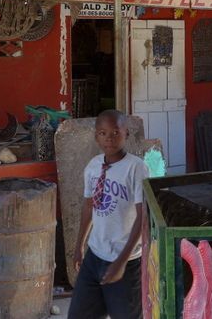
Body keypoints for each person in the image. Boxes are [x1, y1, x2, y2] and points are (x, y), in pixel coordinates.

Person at [68, 109, 148, 319]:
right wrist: (79, 247)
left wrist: (120, 262)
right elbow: (88, 208)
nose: (109, 139)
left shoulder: (136, 168)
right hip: (95, 257)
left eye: (115, 132)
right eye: (103, 133)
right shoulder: (93, 166)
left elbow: (143, 217)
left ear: (126, 134)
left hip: (126, 261)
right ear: (96, 136)